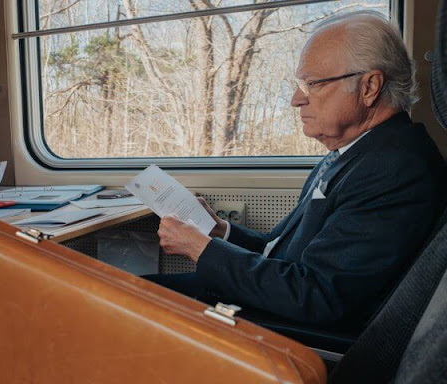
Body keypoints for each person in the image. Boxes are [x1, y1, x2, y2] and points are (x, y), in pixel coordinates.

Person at [145, 11, 446, 329]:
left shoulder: (395, 169)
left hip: (282, 330)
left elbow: (318, 296)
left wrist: (198, 247)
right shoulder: (352, 152)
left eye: (312, 84)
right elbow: (280, 251)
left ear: (369, 87)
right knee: (132, 289)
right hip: (268, 302)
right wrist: (219, 231)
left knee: (121, 301)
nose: (295, 100)